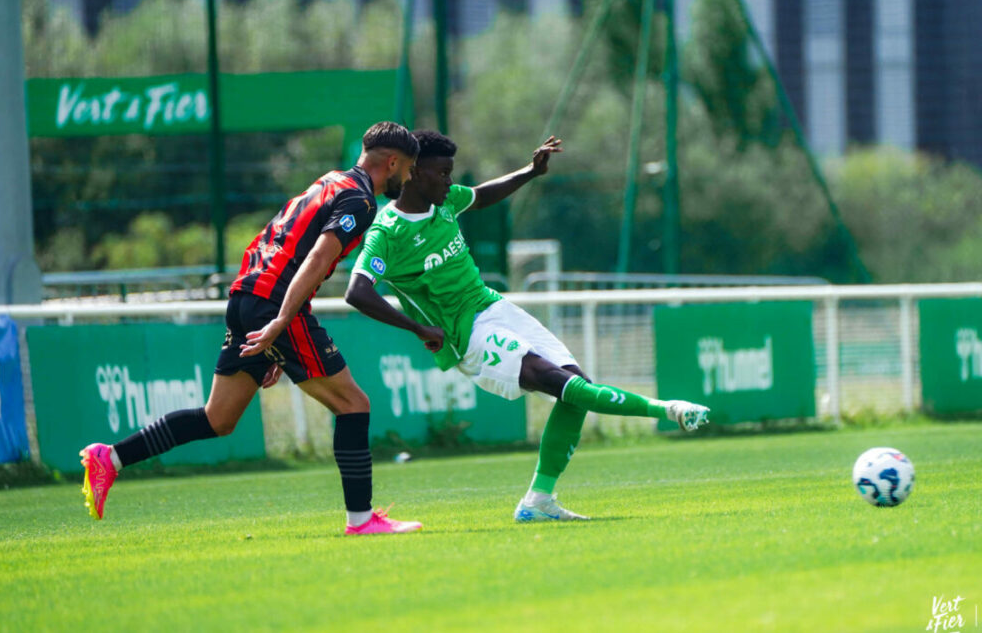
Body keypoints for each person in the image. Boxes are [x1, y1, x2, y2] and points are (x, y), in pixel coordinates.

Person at [344, 130, 709, 522]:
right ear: (414, 173)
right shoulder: (388, 232)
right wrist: (418, 329)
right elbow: (358, 292)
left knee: (576, 387)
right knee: (568, 387)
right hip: (467, 334)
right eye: (443, 173)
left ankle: (538, 501)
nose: (450, 182)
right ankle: (668, 409)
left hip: (494, 307)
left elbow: (483, 195)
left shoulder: (446, 201)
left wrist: (530, 172)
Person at [80, 121, 425, 535]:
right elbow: (316, 259)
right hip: (273, 305)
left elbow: (281, 242)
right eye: (407, 169)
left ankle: (110, 458)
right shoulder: (361, 200)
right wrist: (281, 322)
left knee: (218, 418)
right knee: (354, 404)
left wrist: (274, 340)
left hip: (246, 295)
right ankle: (362, 520)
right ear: (391, 162)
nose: (407, 178)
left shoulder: (329, 183)